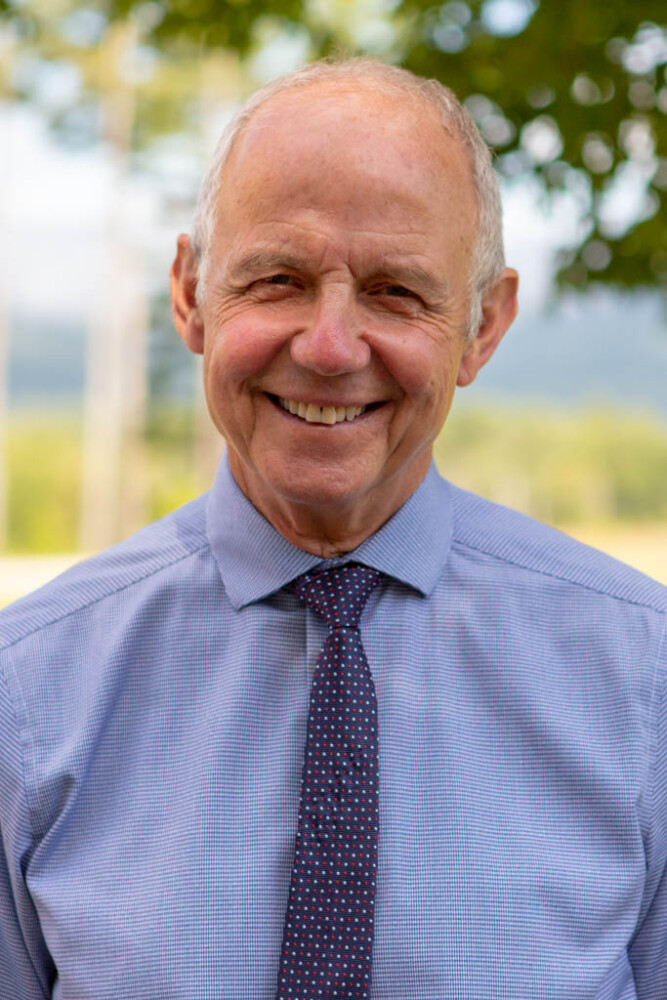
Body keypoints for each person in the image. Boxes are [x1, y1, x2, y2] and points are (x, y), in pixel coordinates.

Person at [0, 57, 665, 1000]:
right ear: (189, 294)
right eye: (277, 279)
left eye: (396, 292)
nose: (327, 348)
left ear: (482, 326)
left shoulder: (645, 683)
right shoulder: (25, 695)